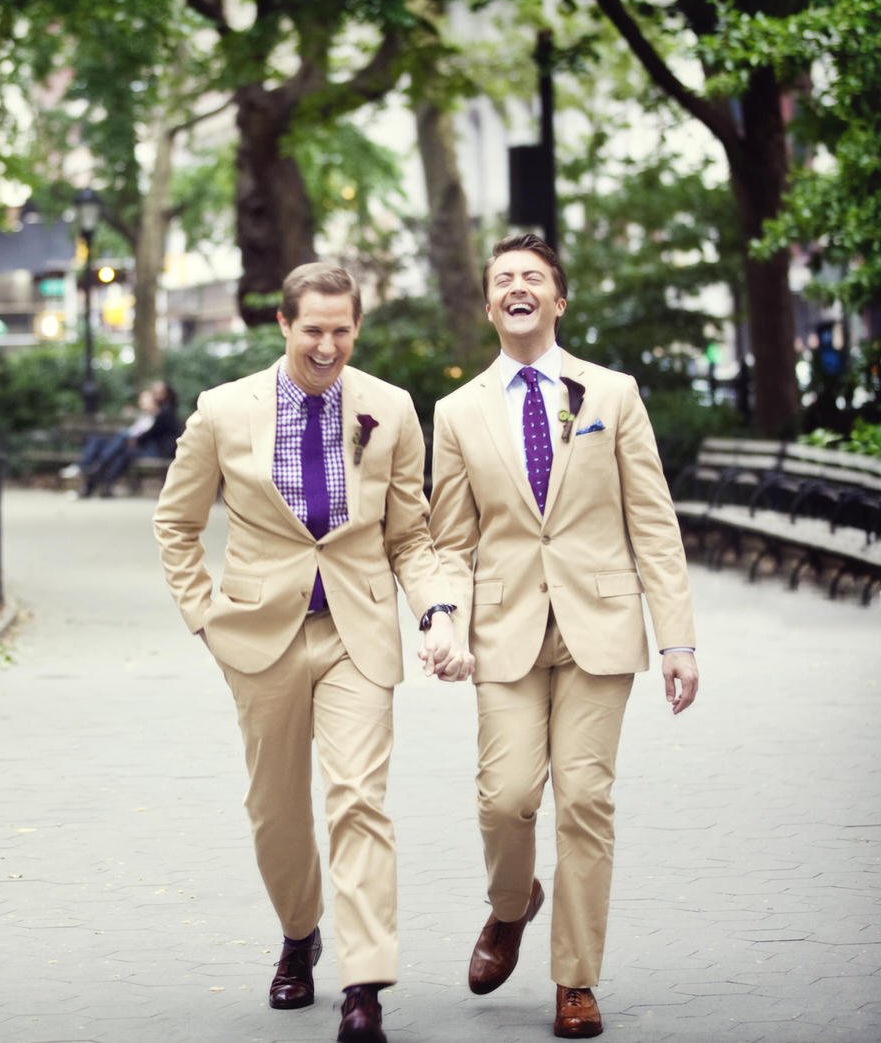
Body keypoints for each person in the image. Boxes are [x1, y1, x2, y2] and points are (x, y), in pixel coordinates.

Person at [153, 262, 472, 1043]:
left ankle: (365, 985)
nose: (328, 345)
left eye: (342, 329)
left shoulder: (390, 409)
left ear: (356, 327)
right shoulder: (224, 412)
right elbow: (175, 523)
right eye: (313, 329)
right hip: (260, 637)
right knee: (276, 810)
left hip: (357, 634)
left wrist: (437, 609)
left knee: (359, 798)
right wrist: (207, 617)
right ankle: (300, 932)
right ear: (283, 326)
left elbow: (411, 534)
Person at [428, 234, 700, 1039]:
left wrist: (677, 638)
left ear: (558, 299)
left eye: (533, 278)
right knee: (506, 797)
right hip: (502, 629)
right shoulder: (456, 410)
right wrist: (442, 616)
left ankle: (574, 979)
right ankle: (512, 906)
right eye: (504, 279)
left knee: (585, 800)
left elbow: (652, 519)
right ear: (488, 305)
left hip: (601, 625)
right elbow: (448, 540)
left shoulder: (611, 393)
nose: (518, 288)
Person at [64, 380, 180, 497]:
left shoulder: (164, 413)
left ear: (166, 394)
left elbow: (150, 434)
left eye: (158, 393)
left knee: (123, 439)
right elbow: (141, 432)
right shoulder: (149, 415)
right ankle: (95, 475)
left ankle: (91, 472)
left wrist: (134, 439)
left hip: (155, 450)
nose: (155, 396)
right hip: (138, 446)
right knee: (101, 441)